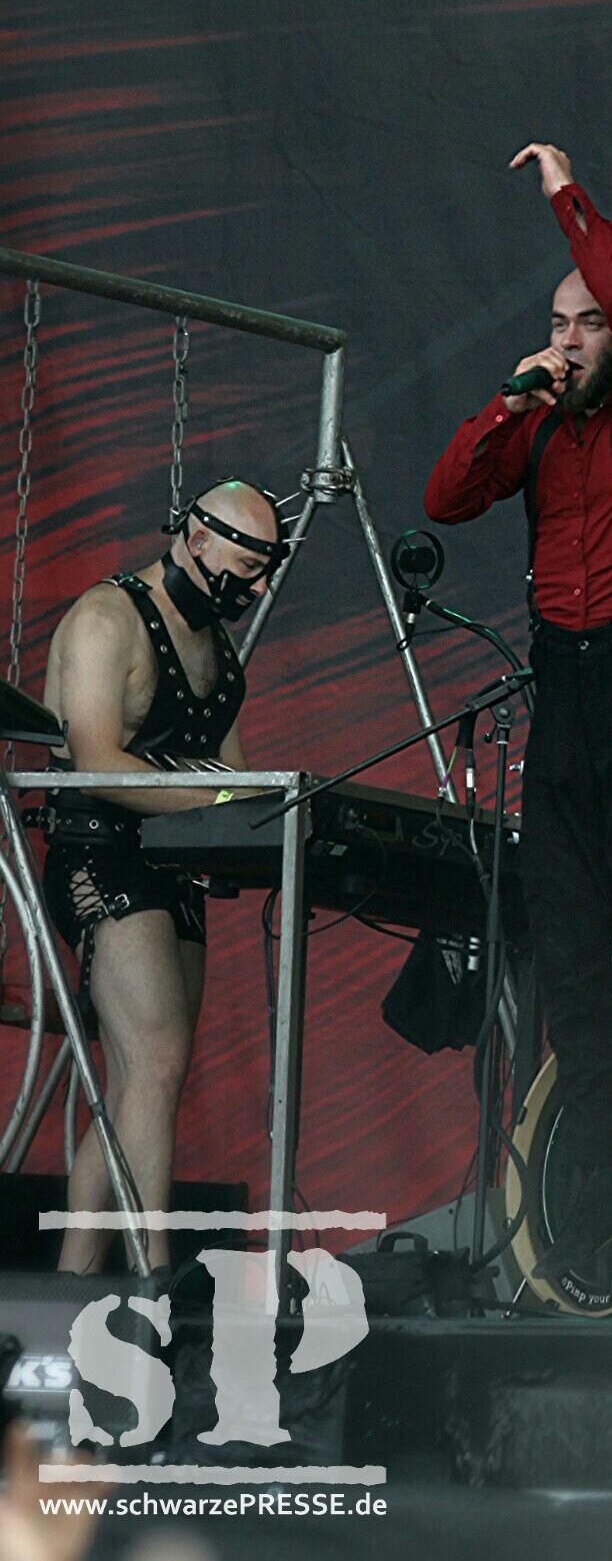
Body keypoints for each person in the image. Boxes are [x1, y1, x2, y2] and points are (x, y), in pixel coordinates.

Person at [424, 142, 612, 1302]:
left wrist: (567, 200)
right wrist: (512, 396)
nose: (572, 339)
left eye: (587, 324)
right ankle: (597, 1205)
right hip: (565, 692)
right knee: (569, 960)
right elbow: (448, 495)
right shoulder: (539, 426)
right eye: (559, 324)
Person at [42, 481, 283, 1272]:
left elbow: (237, 776)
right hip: (98, 854)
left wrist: (260, 808)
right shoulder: (106, 618)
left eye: (265, 573)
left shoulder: (217, 646)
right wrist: (223, 799)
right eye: (244, 569)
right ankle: (154, 1277)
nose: (254, 590)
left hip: (173, 865)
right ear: (196, 540)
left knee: (143, 1084)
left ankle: (73, 1280)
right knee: (153, 1064)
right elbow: (95, 760)